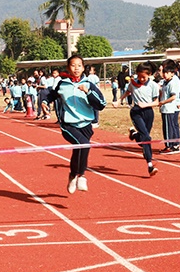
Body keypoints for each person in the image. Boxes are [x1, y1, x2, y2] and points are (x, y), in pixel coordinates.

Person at [42, 55, 106, 194]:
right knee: (84, 144)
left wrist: (88, 92)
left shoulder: (89, 84)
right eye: (73, 65)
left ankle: (72, 175)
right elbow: (51, 95)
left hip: (86, 125)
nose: (76, 68)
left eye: (79, 65)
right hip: (68, 125)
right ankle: (81, 176)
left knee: (79, 151)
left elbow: (101, 104)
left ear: (83, 68)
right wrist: (45, 102)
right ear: (68, 68)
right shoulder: (62, 84)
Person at [120, 61, 160, 177]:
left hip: (148, 112)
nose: (141, 79)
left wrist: (146, 105)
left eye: (144, 77)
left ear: (149, 75)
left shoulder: (153, 85)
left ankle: (134, 134)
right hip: (136, 112)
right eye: (139, 76)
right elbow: (127, 92)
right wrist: (119, 100)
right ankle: (150, 165)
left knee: (144, 138)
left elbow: (156, 102)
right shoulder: (132, 83)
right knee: (147, 138)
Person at [157, 64, 180, 154]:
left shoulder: (172, 82)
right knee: (170, 126)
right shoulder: (165, 82)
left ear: (172, 73)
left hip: (169, 109)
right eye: (164, 72)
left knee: (168, 128)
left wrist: (162, 102)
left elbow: (173, 96)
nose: (164, 74)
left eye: (167, 73)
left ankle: (170, 146)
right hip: (165, 108)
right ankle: (173, 145)